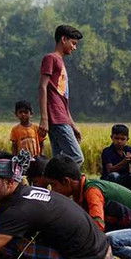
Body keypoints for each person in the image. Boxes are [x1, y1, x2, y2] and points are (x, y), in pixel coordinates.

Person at [38, 25, 85, 167]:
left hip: (62, 116)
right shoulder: (50, 58)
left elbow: (63, 99)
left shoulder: (61, 62)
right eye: (73, 43)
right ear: (63, 39)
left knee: (58, 158)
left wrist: (72, 124)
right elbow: (42, 86)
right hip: (56, 117)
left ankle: (54, 186)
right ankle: (57, 179)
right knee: (76, 157)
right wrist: (44, 118)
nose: (74, 48)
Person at [99, 124, 131, 191]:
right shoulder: (107, 151)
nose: (119, 141)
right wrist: (124, 162)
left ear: (127, 139)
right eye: (117, 138)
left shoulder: (129, 150)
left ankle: (129, 192)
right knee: (114, 175)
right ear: (112, 137)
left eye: (123, 139)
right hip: (110, 180)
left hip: (125, 178)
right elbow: (110, 170)